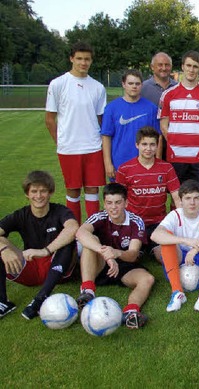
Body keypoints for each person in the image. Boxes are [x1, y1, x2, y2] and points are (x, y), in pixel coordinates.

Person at [0, 171, 79, 320]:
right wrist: (4, 250)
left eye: (43, 191)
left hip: (57, 268)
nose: (39, 196)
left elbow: (73, 227)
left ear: (51, 192)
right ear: (27, 194)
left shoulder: (60, 211)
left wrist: (45, 251)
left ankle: (40, 299)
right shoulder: (20, 215)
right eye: (34, 191)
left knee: (68, 242)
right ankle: (2, 302)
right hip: (31, 267)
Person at [75, 183, 153, 329]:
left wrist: (117, 253)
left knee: (148, 279)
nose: (113, 207)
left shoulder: (136, 222)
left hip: (125, 263)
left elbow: (133, 255)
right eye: (109, 203)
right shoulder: (99, 216)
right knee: (91, 243)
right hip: (100, 263)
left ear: (126, 203)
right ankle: (87, 291)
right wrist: (107, 255)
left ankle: (130, 312)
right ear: (104, 203)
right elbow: (80, 233)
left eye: (118, 202)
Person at [45, 41, 107, 222]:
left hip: (93, 147)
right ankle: (74, 231)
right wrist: (61, 142)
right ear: (71, 59)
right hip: (69, 148)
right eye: (79, 58)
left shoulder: (98, 87)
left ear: (91, 61)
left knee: (93, 189)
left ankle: (93, 229)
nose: (83, 63)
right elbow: (49, 119)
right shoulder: (58, 84)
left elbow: (100, 119)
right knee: (72, 190)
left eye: (87, 59)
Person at [151, 180, 199, 312]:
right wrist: (186, 241)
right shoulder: (175, 215)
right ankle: (177, 292)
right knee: (167, 240)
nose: (192, 202)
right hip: (181, 258)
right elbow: (155, 235)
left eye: (196, 198)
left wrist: (198, 247)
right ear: (181, 200)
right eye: (188, 198)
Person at [116, 127, 181, 262]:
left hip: (158, 223)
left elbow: (177, 197)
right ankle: (139, 248)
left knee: (166, 258)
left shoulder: (166, 168)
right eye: (144, 144)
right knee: (130, 258)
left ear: (157, 146)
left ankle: (153, 248)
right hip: (133, 224)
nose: (148, 148)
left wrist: (180, 222)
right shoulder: (125, 169)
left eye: (152, 144)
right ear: (137, 145)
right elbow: (117, 200)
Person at [159, 50, 199, 183]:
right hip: (176, 155)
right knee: (176, 196)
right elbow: (163, 126)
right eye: (189, 65)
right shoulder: (168, 94)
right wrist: (175, 143)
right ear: (182, 66)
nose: (191, 70)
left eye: (195, 66)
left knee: (198, 196)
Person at [101, 69, 160, 180]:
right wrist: (108, 163)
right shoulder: (111, 108)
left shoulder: (151, 108)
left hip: (145, 163)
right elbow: (106, 137)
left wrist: (158, 161)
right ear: (123, 84)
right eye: (130, 83)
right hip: (119, 163)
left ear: (142, 85)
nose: (134, 86)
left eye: (137, 84)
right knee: (119, 196)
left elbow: (158, 137)